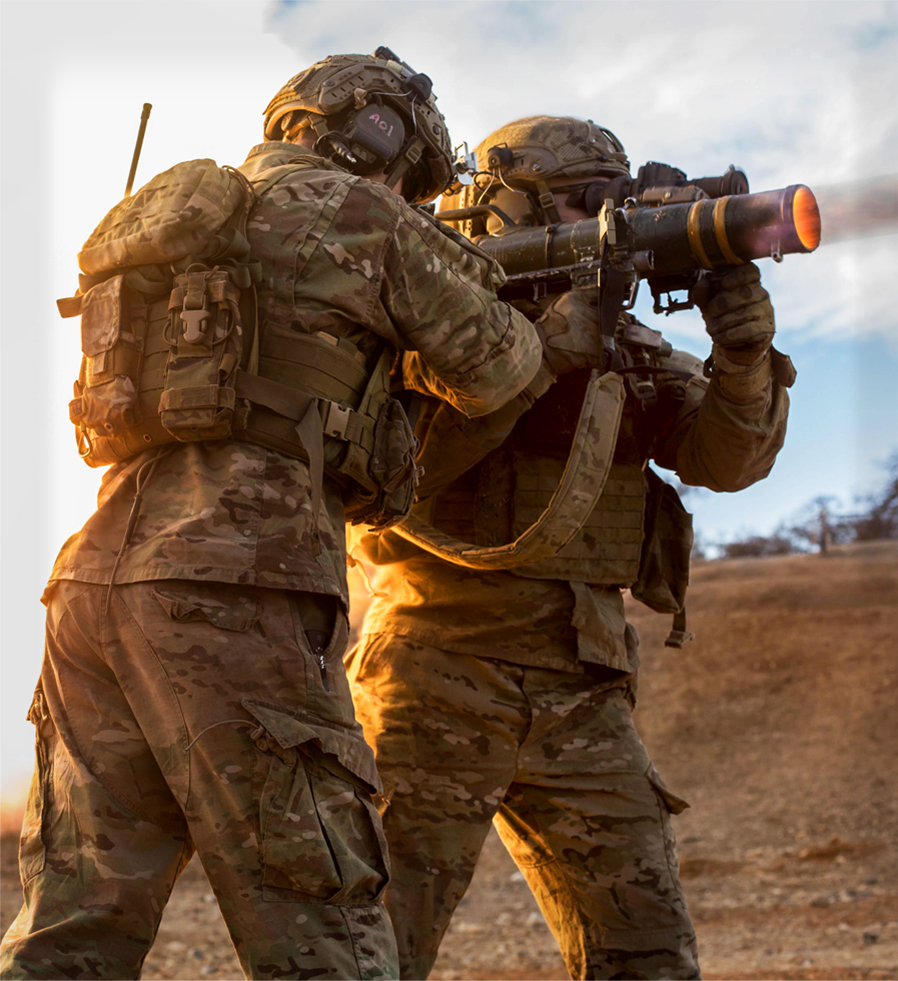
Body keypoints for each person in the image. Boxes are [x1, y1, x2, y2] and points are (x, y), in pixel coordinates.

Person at [0, 68, 605, 980]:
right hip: (242, 583)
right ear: (382, 140)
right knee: (320, 913)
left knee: (74, 921)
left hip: (91, 583)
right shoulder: (360, 212)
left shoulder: (186, 209)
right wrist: (556, 328)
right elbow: (495, 367)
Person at [345, 116, 797, 980]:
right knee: (373, 952)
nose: (607, 217)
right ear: (505, 207)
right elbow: (392, 477)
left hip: (584, 690)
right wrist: (537, 356)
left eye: (613, 200)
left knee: (648, 954)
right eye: (582, 201)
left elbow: (727, 460)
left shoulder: (626, 347)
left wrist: (743, 353)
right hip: (438, 672)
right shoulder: (430, 325)